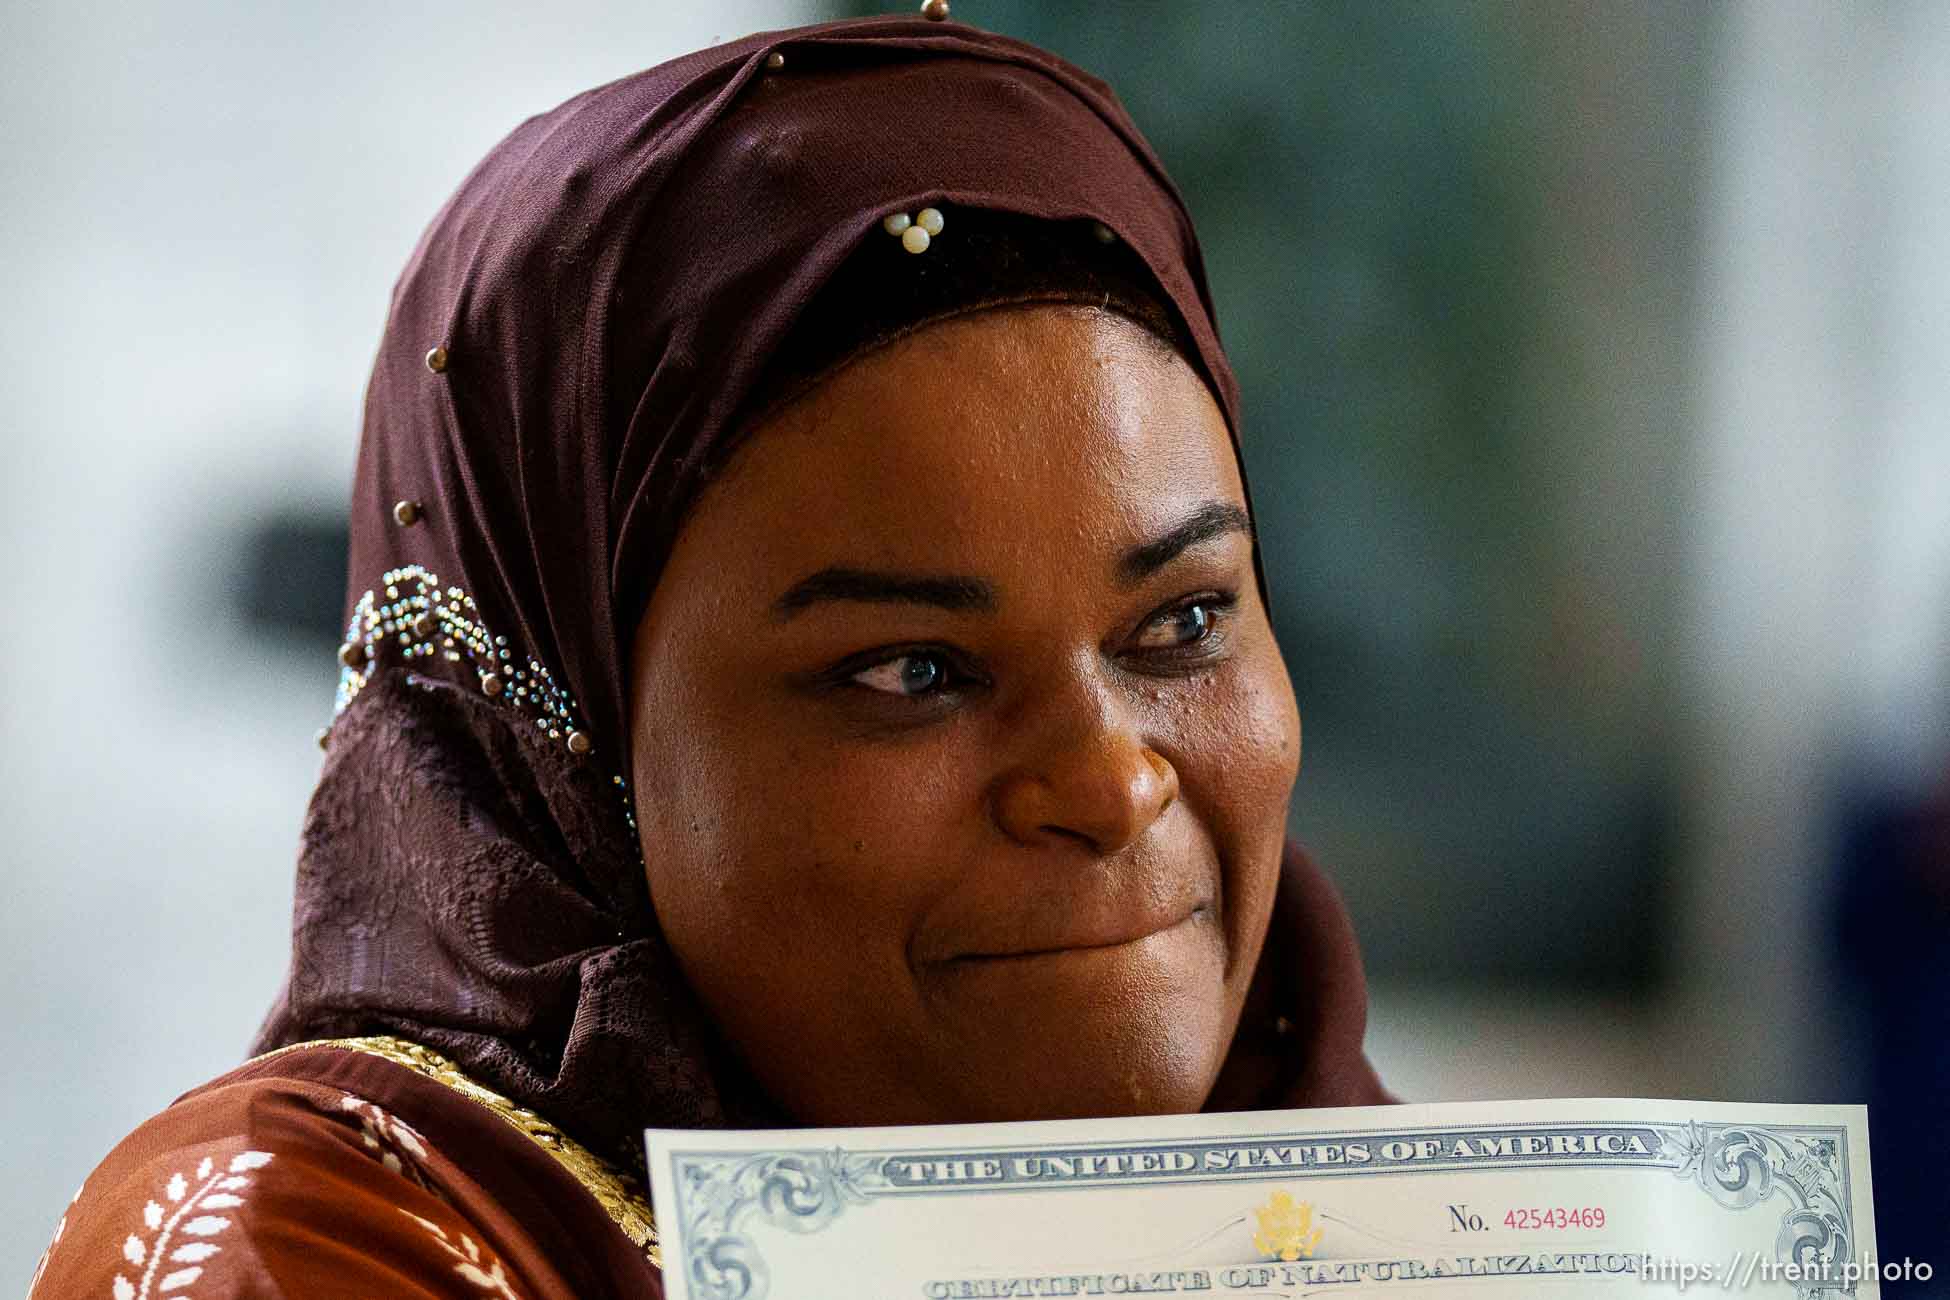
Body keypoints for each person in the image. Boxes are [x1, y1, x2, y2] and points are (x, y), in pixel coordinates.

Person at [28, 11, 1389, 1297]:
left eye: (1182, 623)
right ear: (574, 740)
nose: (1106, 786)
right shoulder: (320, 1249)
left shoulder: (1391, 1213)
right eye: (913, 672)